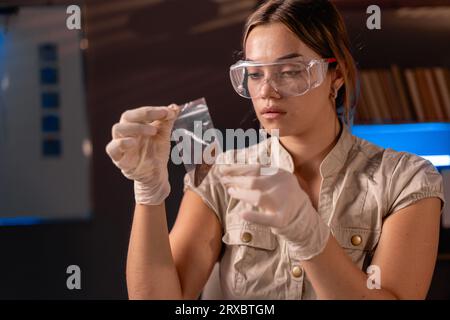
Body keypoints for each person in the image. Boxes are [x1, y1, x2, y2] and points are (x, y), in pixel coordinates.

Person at [105, 0, 445, 300]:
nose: (267, 90)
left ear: (336, 74)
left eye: (290, 71)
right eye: (254, 74)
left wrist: (310, 237)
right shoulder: (220, 174)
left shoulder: (406, 179)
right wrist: (148, 192)